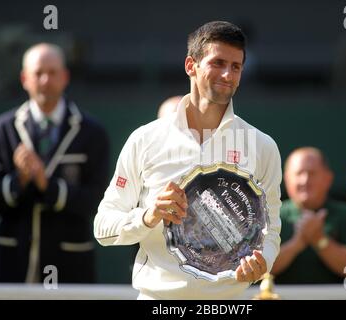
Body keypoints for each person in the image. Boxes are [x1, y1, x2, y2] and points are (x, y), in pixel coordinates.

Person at [94, 21, 282, 299]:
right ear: (190, 66)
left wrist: (261, 262)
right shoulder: (145, 139)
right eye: (217, 63)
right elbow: (103, 227)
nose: (228, 74)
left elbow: (271, 230)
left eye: (236, 66)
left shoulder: (262, 146)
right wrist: (148, 216)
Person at [0, 43, 110, 283]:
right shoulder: (2, 129)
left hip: (69, 268)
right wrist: (19, 180)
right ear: (24, 78)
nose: (45, 80)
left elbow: (97, 202)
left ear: (65, 77)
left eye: (52, 72)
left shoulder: (93, 132)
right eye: (38, 73)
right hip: (10, 264)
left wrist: (45, 183)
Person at [271, 147, 346, 284]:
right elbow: (257, 271)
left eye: (312, 173)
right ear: (286, 178)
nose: (305, 180)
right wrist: (296, 244)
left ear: (328, 178)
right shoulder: (271, 216)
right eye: (299, 173)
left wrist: (320, 240)